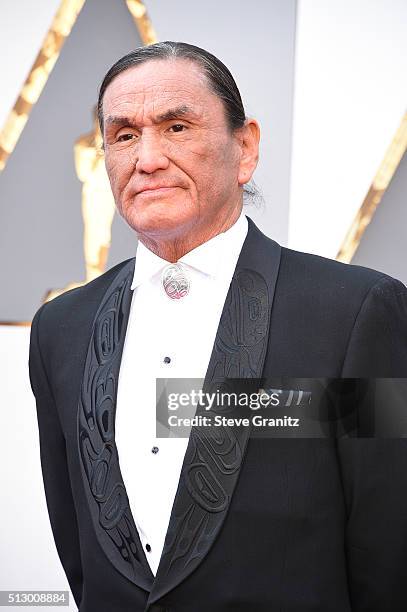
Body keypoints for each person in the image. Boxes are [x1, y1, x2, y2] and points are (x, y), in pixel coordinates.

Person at [29, 42, 407, 612]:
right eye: (125, 135)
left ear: (245, 147)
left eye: (176, 126)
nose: (147, 158)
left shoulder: (353, 313)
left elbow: (389, 552)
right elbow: (80, 548)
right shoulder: (62, 327)